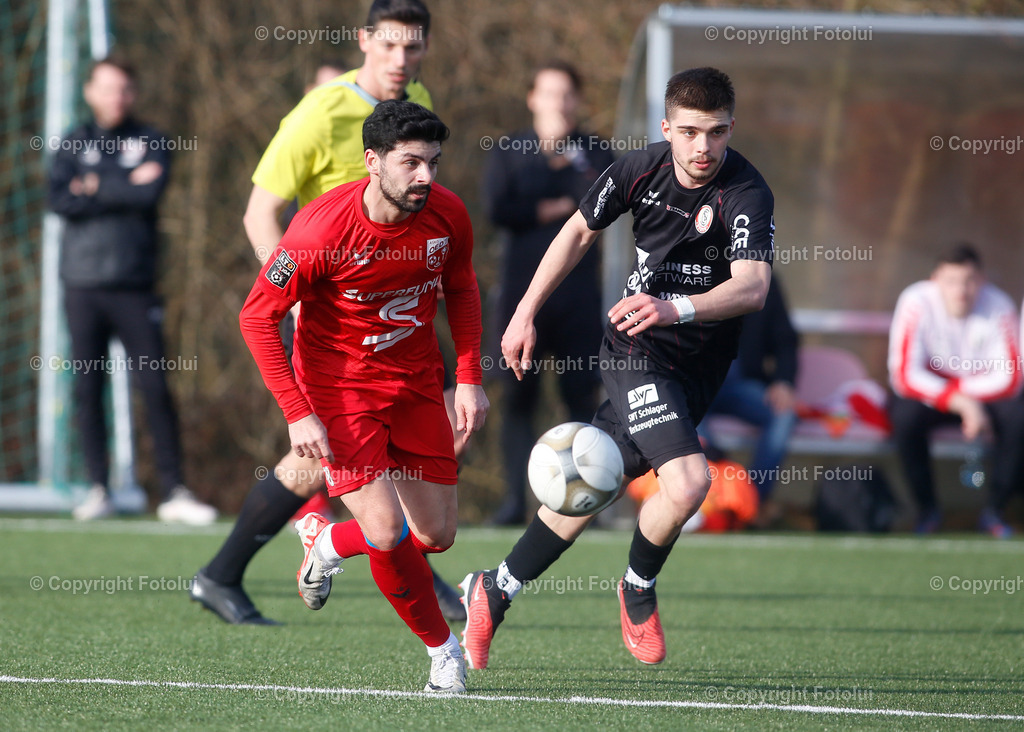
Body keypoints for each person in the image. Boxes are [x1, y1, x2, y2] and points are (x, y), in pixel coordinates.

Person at [462, 67, 774, 668]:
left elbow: (753, 288)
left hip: (701, 363)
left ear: (731, 129)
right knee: (687, 483)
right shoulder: (639, 168)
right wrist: (525, 311)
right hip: (638, 346)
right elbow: (578, 230)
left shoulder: (746, 192)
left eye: (715, 132)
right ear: (666, 128)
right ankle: (636, 588)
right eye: (688, 132)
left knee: (594, 475)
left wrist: (675, 306)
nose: (702, 147)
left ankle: (494, 589)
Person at [189, 0, 466, 625]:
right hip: (329, 323)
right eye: (389, 46)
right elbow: (260, 211)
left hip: (393, 317)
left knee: (325, 462)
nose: (402, 60)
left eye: (413, 48)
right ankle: (240, 569)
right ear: (363, 41)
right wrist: (289, 298)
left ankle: (233, 571)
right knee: (318, 458)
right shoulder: (321, 111)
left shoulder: (414, 102)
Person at [241, 100, 486, 693]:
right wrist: (298, 412)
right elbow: (256, 318)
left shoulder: (448, 214)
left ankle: (326, 540)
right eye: (411, 164)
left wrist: (471, 376)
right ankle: (442, 653)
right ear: (373, 162)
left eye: (433, 162)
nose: (426, 177)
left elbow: (462, 286)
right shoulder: (320, 230)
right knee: (385, 533)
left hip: (417, 381)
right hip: (339, 389)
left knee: (435, 537)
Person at [48, 55, 216, 525]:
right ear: (89, 91)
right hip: (81, 284)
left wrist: (95, 185)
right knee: (87, 386)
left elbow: (149, 194)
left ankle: (173, 490)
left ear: (133, 93)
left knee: (156, 386)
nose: (115, 97)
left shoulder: (153, 139)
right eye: (106, 88)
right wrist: (120, 182)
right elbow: (58, 199)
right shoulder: (72, 142)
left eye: (123, 89)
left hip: (137, 285)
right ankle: (98, 487)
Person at [483, 61, 613, 525]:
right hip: (522, 299)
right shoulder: (508, 150)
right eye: (548, 93)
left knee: (582, 396)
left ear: (577, 101)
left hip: (579, 299)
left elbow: (601, 200)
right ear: (532, 97)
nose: (558, 103)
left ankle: (587, 502)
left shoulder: (595, 150)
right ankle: (514, 502)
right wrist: (554, 202)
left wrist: (566, 162)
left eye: (566, 94)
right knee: (518, 399)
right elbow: (499, 207)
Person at [888, 244, 1023, 537]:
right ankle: (927, 510)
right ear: (936, 280)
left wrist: (967, 399)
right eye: (951, 281)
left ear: (982, 280)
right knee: (905, 417)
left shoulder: (999, 306)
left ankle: (995, 511)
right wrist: (959, 402)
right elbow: (904, 374)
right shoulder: (915, 300)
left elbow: (1011, 377)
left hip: (982, 396)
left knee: (1018, 417)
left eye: (969, 280)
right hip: (935, 397)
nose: (961, 290)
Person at [698, 276, 798, 509]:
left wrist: (784, 381)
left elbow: (786, 341)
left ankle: (749, 503)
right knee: (685, 421)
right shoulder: (688, 270)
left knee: (783, 413)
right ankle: (712, 503)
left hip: (741, 385)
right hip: (695, 383)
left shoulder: (762, 278)